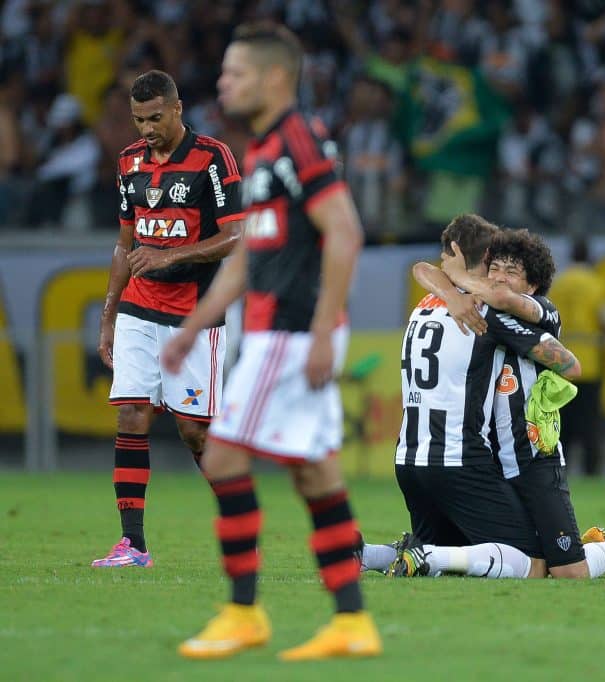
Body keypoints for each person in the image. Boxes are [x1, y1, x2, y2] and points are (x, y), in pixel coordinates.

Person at [161, 22, 380, 660]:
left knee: (224, 460)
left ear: (275, 78)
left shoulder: (298, 140)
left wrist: (319, 332)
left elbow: (344, 233)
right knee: (316, 475)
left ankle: (242, 611)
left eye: (235, 73)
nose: (222, 83)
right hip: (279, 332)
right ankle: (351, 621)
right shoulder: (260, 151)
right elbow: (249, 258)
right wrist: (195, 329)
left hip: (288, 335)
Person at [383, 226, 605, 580]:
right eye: (495, 268)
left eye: (511, 272)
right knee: (504, 558)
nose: (500, 277)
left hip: (533, 457)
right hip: (493, 458)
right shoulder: (482, 310)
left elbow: (567, 362)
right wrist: (455, 292)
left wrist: (458, 280)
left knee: (567, 572)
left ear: (532, 286)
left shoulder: (538, 309)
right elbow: (423, 270)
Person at [93, 70, 243, 568]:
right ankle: (132, 544)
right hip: (138, 306)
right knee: (131, 412)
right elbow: (125, 243)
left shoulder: (212, 158)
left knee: (194, 430)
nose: (147, 129)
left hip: (194, 314)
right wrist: (109, 313)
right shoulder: (129, 161)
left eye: (155, 118)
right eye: (139, 120)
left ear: (177, 109)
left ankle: (239, 524)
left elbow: (238, 236)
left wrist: (168, 257)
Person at [546, 237, 605, 476]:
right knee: (590, 423)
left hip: (560, 362)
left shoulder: (558, 284)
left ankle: (559, 467)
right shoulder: (597, 284)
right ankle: (591, 470)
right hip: (589, 363)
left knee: (562, 421)